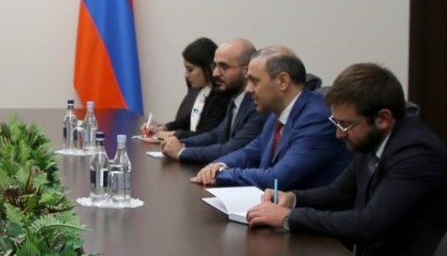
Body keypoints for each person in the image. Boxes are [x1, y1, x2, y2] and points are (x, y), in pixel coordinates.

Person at [245, 63, 447, 256]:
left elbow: (369, 224)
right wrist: (292, 198)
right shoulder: (371, 139)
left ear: (383, 119)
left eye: (346, 125)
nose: (338, 134)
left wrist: (288, 218)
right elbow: (337, 193)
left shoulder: (415, 153)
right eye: (336, 122)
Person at [191, 47, 350, 189]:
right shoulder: (277, 113)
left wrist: (222, 175)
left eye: (254, 81)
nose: (248, 89)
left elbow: (277, 179)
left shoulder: (316, 118)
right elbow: (251, 152)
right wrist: (219, 165)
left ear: (282, 81)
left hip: (305, 210)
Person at [159, 38, 265, 164]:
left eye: (223, 67)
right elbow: (215, 135)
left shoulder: (258, 105)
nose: (215, 73)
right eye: (215, 66)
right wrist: (179, 142)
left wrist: (181, 152)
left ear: (246, 70)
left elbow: (231, 150)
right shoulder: (235, 98)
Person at [143, 37, 228, 140]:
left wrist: (173, 135)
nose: (186, 76)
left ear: (208, 67)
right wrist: (164, 128)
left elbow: (206, 135)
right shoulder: (205, 90)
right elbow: (191, 119)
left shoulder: (223, 98)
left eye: (190, 70)